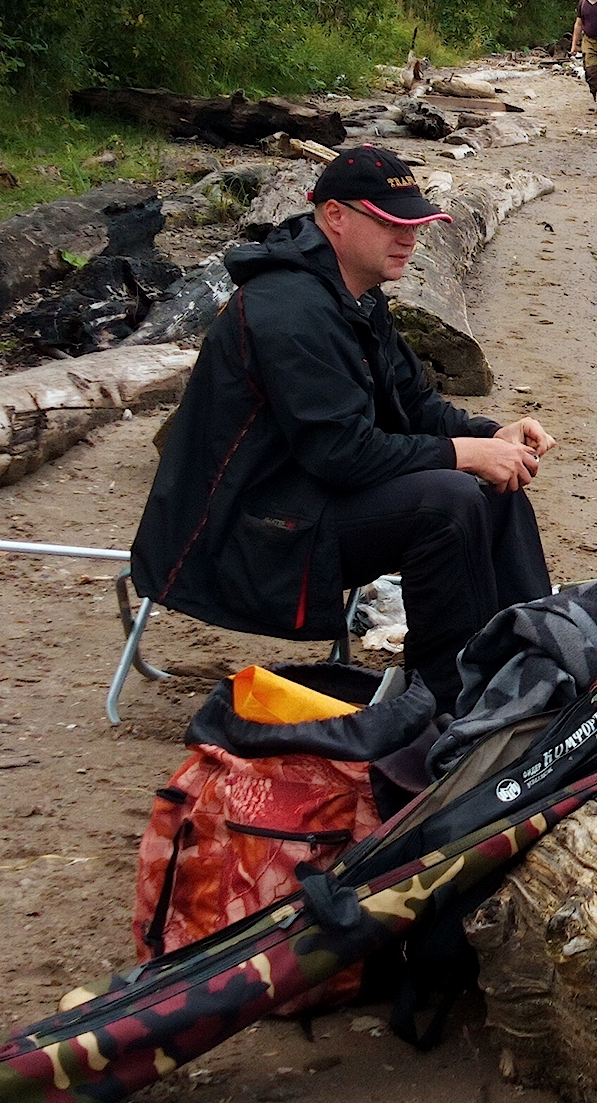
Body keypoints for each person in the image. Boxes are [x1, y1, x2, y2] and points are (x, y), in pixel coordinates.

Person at [130, 145, 556, 713]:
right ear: (335, 216)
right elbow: (340, 452)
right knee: (448, 500)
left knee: (495, 484)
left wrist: (492, 434)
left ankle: (532, 659)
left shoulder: (353, 295)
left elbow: (414, 401)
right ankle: (447, 702)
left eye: (416, 224)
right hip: (241, 531)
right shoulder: (288, 308)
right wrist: (464, 454)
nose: (408, 237)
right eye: (390, 223)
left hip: (306, 498)